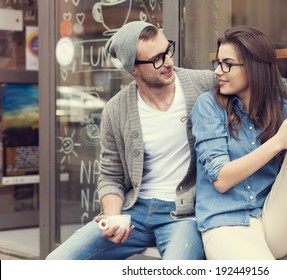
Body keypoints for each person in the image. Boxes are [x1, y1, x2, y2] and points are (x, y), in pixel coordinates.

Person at [46, 21, 217, 260]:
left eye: (168, 50)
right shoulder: (116, 110)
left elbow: (262, 88)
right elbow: (110, 175)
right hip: (134, 211)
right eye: (156, 59)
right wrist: (113, 216)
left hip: (182, 215)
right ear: (133, 69)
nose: (168, 62)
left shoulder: (203, 84)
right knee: (56, 262)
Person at [189, 25, 287, 260]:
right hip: (227, 225)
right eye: (218, 63)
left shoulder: (281, 108)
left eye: (228, 64)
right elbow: (221, 180)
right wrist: (278, 141)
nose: (218, 72)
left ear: (254, 67)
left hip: (273, 222)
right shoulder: (208, 106)